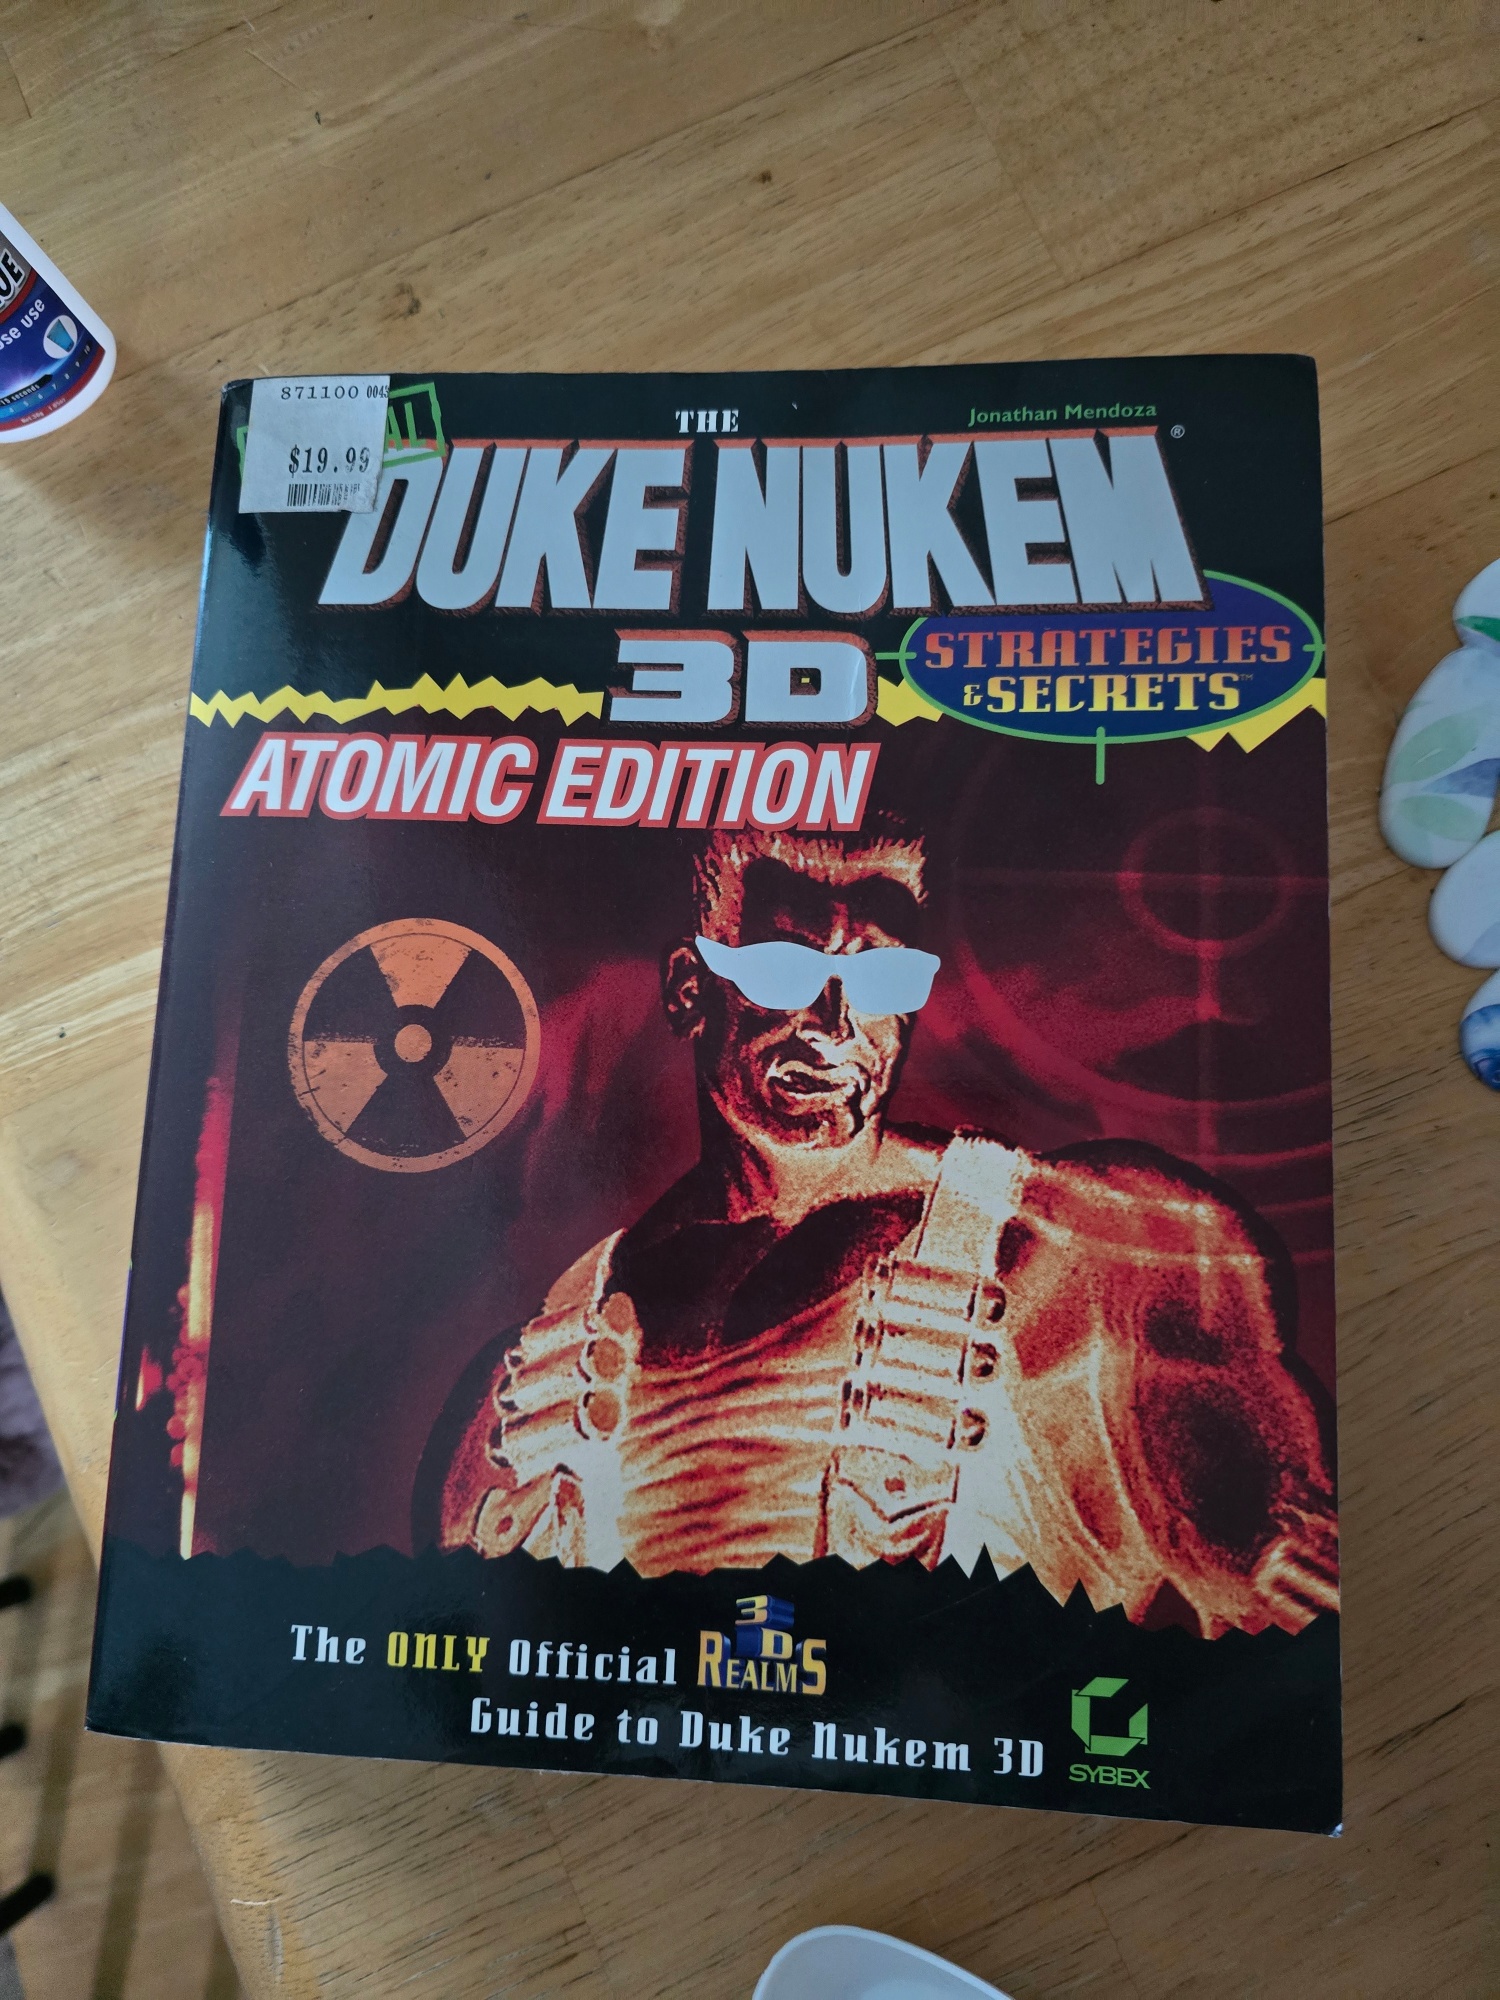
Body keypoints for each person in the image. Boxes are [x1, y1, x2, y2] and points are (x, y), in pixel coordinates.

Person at [419, 823, 1338, 1638]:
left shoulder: (1103, 1245)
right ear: (690, 990)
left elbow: (1291, 1583)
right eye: (785, 973)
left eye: (881, 979)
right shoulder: (525, 1389)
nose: (835, 1023)